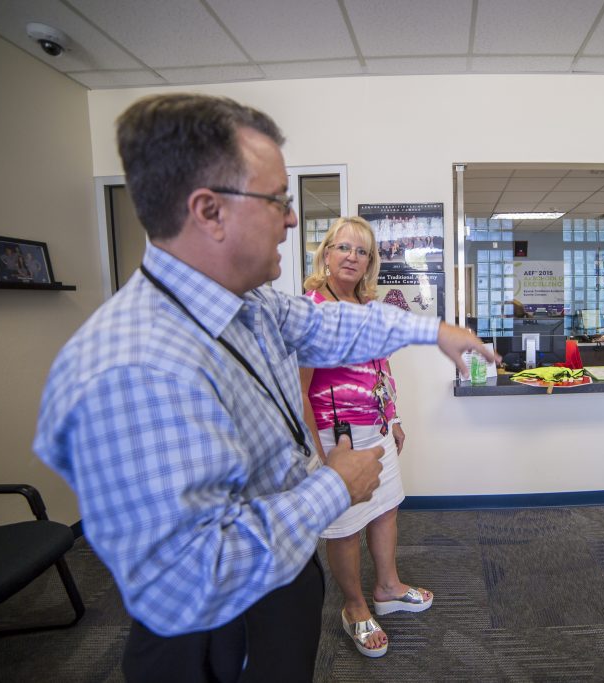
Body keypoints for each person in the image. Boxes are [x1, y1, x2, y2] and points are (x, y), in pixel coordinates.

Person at [32, 93, 495, 683]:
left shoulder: (247, 303)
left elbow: (330, 324)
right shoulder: (134, 366)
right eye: (278, 200)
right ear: (208, 211)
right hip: (216, 631)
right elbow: (195, 570)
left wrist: (433, 330)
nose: (294, 219)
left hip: (279, 578)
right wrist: (332, 485)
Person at [299, 216, 430, 659]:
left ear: (370, 261)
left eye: (361, 251)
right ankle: (354, 607)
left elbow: (381, 367)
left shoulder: (368, 303)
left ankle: (388, 588)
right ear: (327, 253)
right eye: (343, 248)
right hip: (337, 437)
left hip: (375, 427)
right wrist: (318, 458)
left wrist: (393, 418)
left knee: (386, 509)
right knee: (345, 527)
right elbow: (298, 389)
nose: (352, 257)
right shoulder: (312, 309)